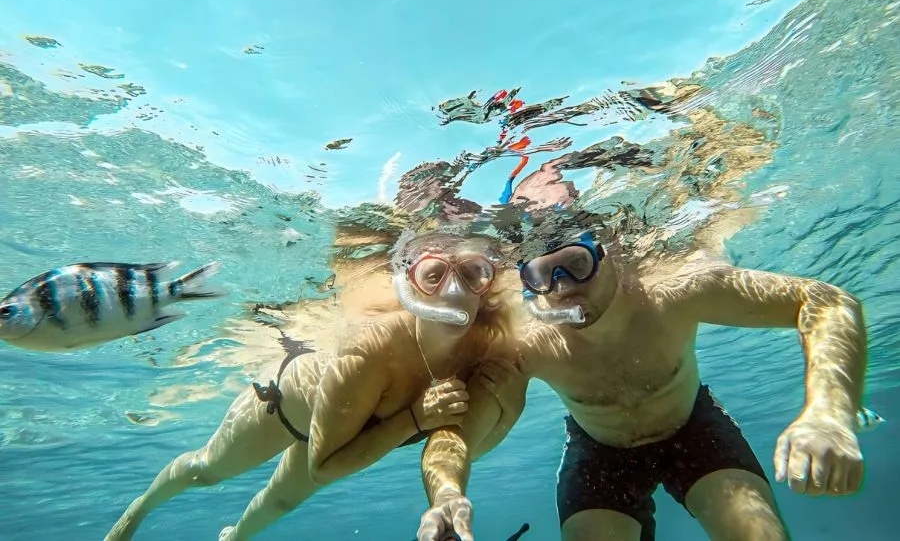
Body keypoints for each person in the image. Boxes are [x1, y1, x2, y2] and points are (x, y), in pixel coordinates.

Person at [416, 225, 870, 541]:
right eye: (542, 276)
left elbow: (826, 302)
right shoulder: (527, 344)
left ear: (609, 254)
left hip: (694, 429)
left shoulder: (674, 293)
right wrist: (447, 491)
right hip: (600, 454)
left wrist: (830, 414)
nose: (563, 288)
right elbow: (458, 431)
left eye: (576, 263)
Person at [105, 231, 522, 541]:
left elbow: (468, 442)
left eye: (473, 274)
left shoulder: (488, 346)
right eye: (433, 275)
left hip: (356, 436)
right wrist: (414, 419)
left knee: (280, 502)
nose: (455, 290)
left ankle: (234, 538)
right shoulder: (371, 350)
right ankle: (136, 513)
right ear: (408, 285)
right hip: (288, 410)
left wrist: (503, 401)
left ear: (489, 283)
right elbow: (322, 466)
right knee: (208, 469)